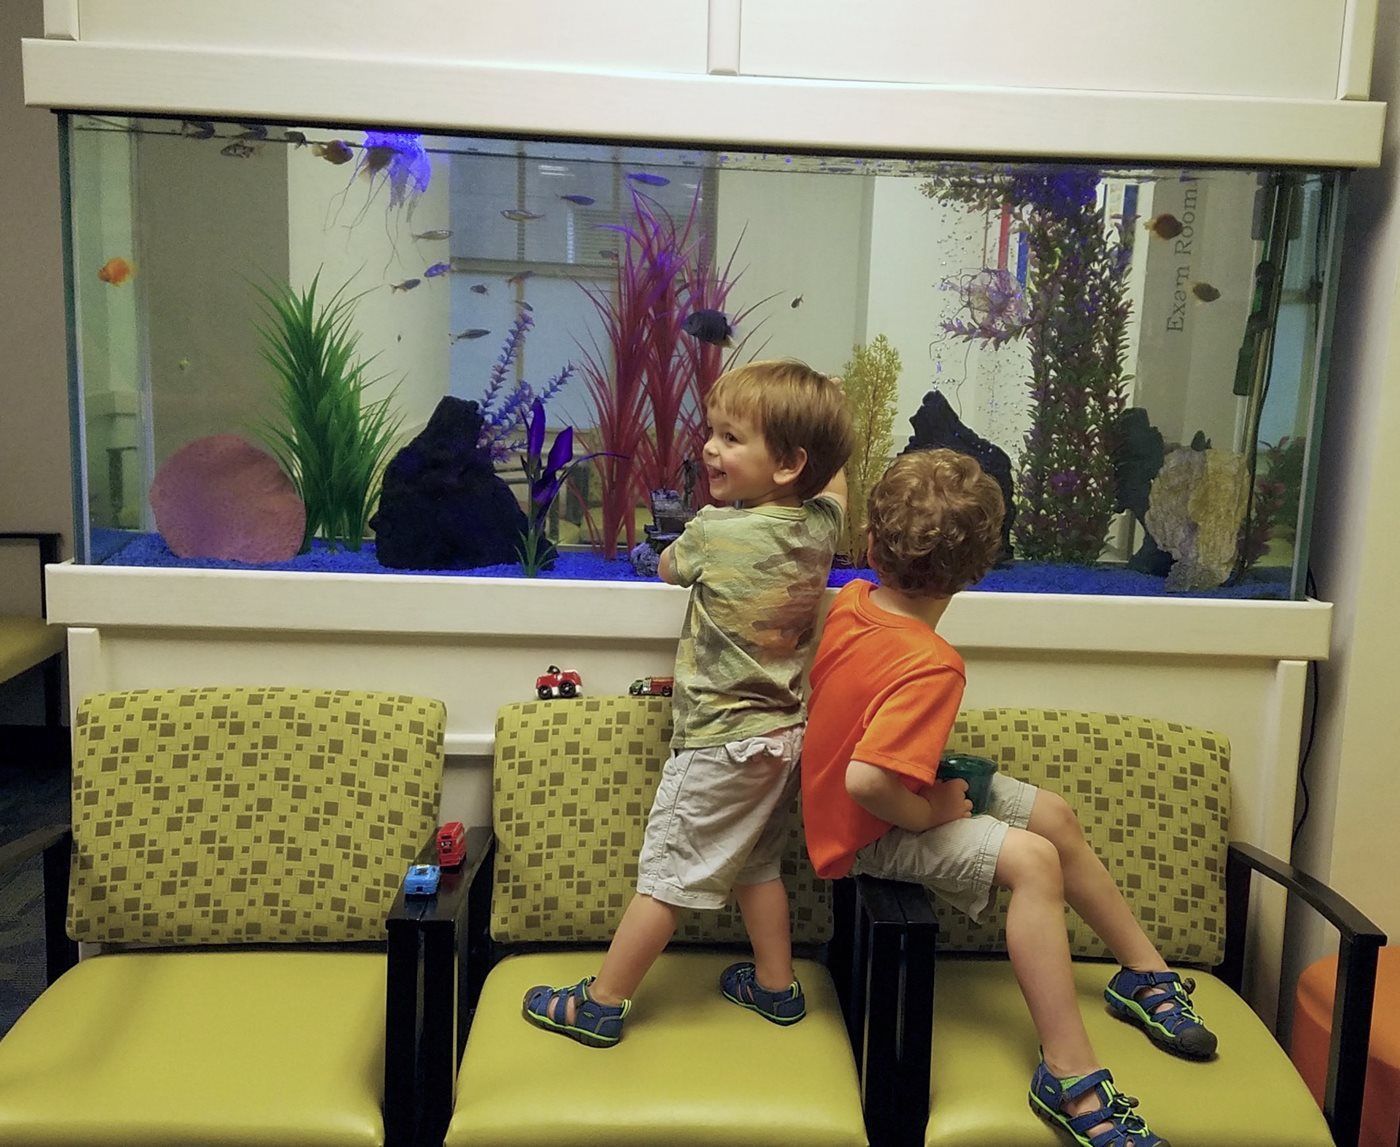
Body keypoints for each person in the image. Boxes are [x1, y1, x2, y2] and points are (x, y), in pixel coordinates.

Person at [801, 449, 1216, 1147]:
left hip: (889, 793)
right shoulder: (933, 663)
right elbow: (866, 779)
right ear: (979, 569)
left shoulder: (852, 600)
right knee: (1033, 860)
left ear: (870, 544)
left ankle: (1144, 974)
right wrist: (934, 810)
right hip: (864, 830)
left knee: (1052, 814)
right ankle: (1070, 1073)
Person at [522, 359, 855, 1047]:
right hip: (780, 738)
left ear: (790, 462)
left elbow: (671, 567)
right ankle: (775, 986)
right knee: (758, 864)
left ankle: (603, 1001)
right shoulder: (821, 529)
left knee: (667, 876)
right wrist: (831, 420)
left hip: (716, 743)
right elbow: (838, 490)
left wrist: (687, 544)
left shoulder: (710, 531)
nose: (710, 448)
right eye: (713, 431)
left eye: (732, 438)